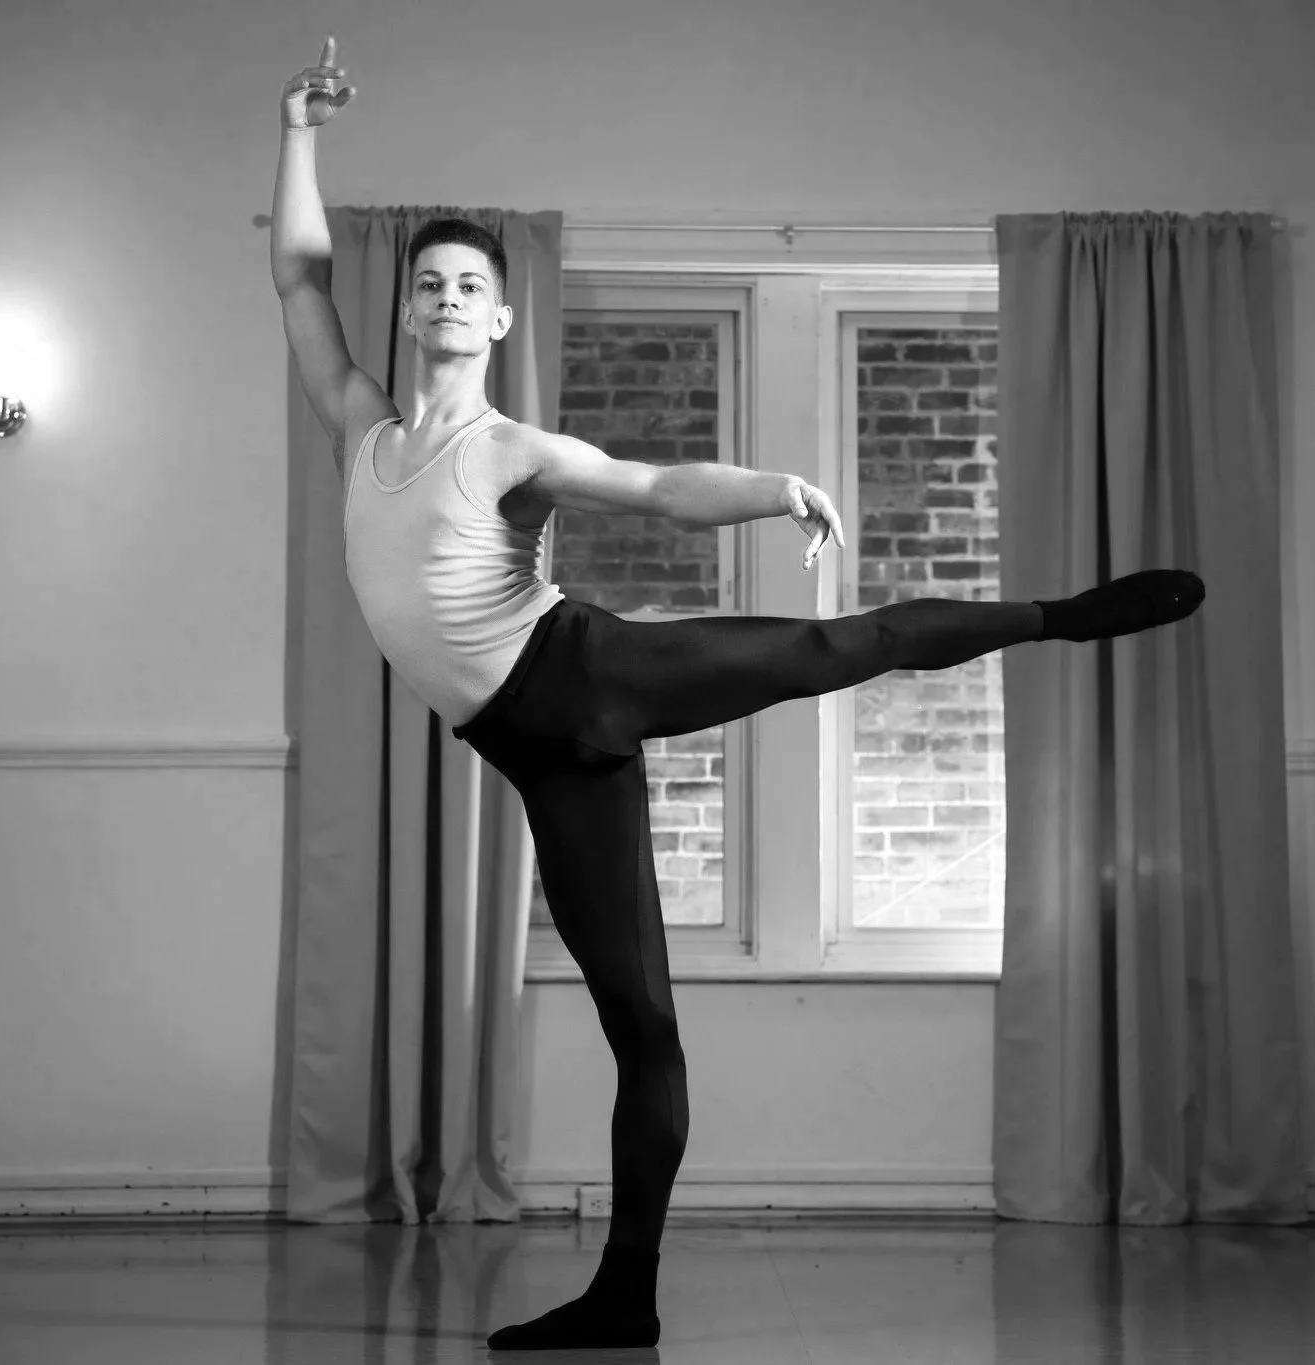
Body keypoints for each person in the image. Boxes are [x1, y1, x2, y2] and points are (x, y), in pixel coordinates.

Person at [271, 37, 1205, 1353]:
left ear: (495, 319)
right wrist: (300, 132)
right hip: (539, 755)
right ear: (407, 309)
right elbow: (299, 277)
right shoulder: (360, 423)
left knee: (835, 649)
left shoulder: (509, 448)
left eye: (468, 283)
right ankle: (627, 1297)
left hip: (580, 673)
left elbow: (653, 489)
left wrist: (776, 488)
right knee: (642, 1025)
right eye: (426, 280)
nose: (442, 295)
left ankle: (1063, 617)